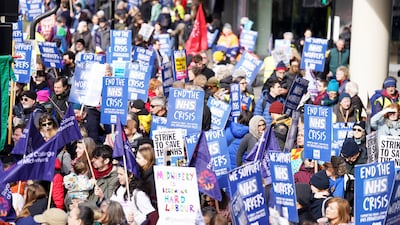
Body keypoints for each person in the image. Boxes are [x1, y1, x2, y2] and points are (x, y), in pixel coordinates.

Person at [136, 140, 157, 208]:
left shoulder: (152, 178)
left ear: (146, 160)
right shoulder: (141, 173)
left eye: (138, 158)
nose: (136, 160)